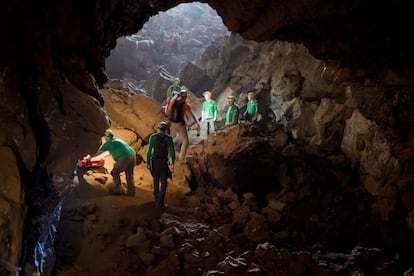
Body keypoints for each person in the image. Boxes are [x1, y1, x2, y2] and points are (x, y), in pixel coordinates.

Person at [94, 129, 136, 196]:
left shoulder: (107, 143)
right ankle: (132, 192)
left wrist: (89, 158)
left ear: (106, 137)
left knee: (114, 172)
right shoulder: (116, 140)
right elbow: (112, 151)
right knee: (129, 174)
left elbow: (97, 153)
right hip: (132, 155)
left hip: (125, 157)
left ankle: (118, 190)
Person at [146, 121, 175, 208]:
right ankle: (160, 202)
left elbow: (149, 151)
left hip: (155, 161)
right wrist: (172, 163)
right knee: (163, 182)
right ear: (166, 130)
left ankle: (156, 197)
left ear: (158, 129)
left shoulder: (153, 137)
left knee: (155, 179)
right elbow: (172, 152)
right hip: (163, 162)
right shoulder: (168, 139)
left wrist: (148, 162)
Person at [166, 89, 200, 162]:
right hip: (180, 124)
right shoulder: (185, 105)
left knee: (173, 140)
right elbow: (192, 115)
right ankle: (181, 158)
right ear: (185, 97)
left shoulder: (173, 102)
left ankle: (169, 156)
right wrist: (197, 124)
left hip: (172, 123)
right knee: (185, 141)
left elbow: (168, 111)